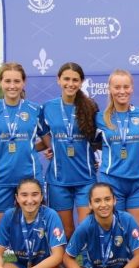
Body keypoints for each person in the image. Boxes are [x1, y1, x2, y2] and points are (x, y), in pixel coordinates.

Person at [0, 63, 45, 229]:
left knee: (34, 229)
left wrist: (29, 148)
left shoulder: (35, 110)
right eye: (7, 81)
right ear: (0, 82)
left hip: (30, 178)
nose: (12, 86)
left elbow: (48, 142)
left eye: (16, 81)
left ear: (23, 82)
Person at [41, 62, 98, 239]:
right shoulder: (47, 107)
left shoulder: (91, 106)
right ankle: (63, 258)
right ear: (58, 80)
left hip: (85, 178)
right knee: (65, 232)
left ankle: (87, 259)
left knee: (86, 229)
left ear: (81, 82)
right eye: (66, 79)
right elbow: (45, 136)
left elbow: (97, 140)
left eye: (75, 80)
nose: (70, 84)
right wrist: (50, 147)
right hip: (58, 180)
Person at [95, 69, 139, 234]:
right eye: (117, 87)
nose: (122, 91)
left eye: (126, 87)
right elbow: (88, 143)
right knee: (113, 232)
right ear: (110, 89)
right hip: (111, 181)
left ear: (132, 88)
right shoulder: (99, 118)